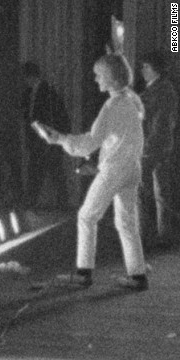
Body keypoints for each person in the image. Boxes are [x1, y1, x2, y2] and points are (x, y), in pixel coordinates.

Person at [36, 53, 148, 291]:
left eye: (98, 75)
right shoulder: (133, 99)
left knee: (87, 216)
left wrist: (59, 139)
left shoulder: (111, 106)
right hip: (132, 168)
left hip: (114, 171)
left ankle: (83, 273)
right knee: (127, 222)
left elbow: (89, 143)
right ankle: (137, 275)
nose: (95, 79)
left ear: (110, 78)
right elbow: (121, 138)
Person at [137, 50, 178, 250]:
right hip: (159, 147)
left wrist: (146, 147)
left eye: (146, 67)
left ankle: (147, 236)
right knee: (160, 191)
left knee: (145, 192)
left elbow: (161, 123)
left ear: (156, 69)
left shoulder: (161, 91)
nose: (142, 70)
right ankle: (162, 235)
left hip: (152, 148)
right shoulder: (161, 89)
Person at [20, 61, 71, 210]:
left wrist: (57, 138)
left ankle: (63, 205)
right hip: (36, 141)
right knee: (36, 173)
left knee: (55, 173)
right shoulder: (28, 93)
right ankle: (32, 203)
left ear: (31, 76)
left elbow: (58, 117)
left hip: (49, 141)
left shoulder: (48, 92)